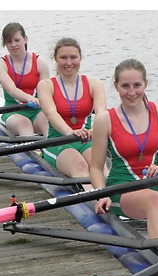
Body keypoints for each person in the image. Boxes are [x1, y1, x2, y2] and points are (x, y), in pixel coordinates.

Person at [90, 58, 158, 256]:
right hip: (122, 187)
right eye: (125, 86)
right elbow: (95, 167)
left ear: (146, 84)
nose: (131, 92)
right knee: (154, 200)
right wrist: (101, 194)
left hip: (155, 182)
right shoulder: (105, 120)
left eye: (137, 85)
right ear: (116, 86)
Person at [37, 37, 107, 191]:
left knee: (102, 170)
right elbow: (50, 113)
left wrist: (96, 131)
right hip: (58, 141)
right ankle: (97, 204)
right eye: (63, 58)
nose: (69, 62)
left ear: (80, 57)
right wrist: (71, 132)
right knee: (81, 167)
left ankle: (113, 204)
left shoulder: (94, 84)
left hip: (86, 139)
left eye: (73, 57)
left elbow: (102, 115)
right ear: (55, 58)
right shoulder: (46, 85)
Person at [0, 22, 50, 136]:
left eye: (17, 40)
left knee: (47, 121)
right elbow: (11, 90)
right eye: (9, 41)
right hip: (13, 111)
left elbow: (46, 92)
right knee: (25, 123)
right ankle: (33, 152)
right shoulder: (0, 64)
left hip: (37, 110)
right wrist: (30, 98)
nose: (13, 45)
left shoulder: (40, 62)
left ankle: (51, 149)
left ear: (25, 39)